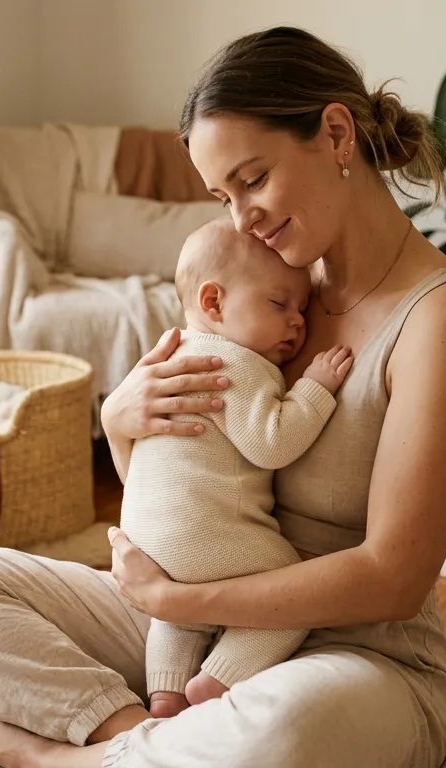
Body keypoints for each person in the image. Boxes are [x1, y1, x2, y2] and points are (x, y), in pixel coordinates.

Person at [0, 24, 446, 768]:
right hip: (191, 619)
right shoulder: (269, 296)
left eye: (252, 180)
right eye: (222, 196)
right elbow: (185, 492)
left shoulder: (444, 318)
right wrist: (121, 423)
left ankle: (55, 756)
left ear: (337, 134)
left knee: (283, 734)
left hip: (355, 657)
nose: (241, 219)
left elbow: (393, 580)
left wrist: (177, 605)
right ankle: (133, 736)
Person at [125, 217, 353, 719]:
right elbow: (271, 443)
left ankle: (164, 693)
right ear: (213, 303)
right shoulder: (234, 362)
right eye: (278, 303)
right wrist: (314, 389)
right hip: (203, 532)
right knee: (292, 595)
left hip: (148, 537)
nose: (297, 321)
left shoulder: (173, 359)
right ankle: (219, 680)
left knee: (178, 612)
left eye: (300, 307)